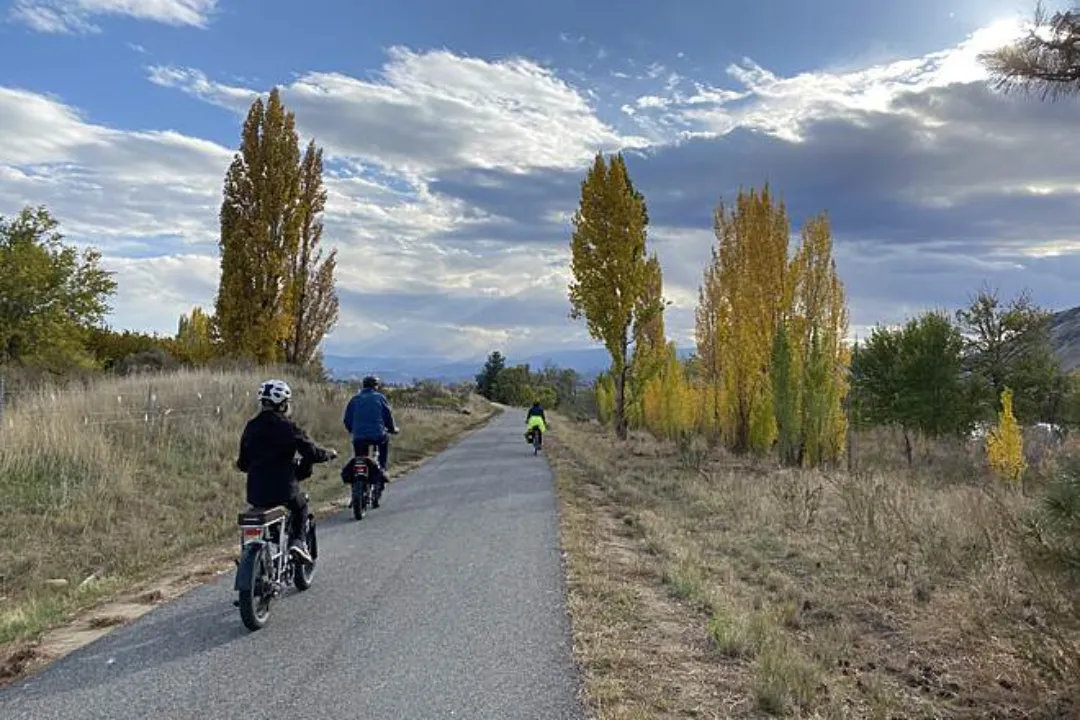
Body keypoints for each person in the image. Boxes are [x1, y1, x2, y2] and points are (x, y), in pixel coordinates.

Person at [237, 379, 336, 565]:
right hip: (284, 489)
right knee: (300, 507)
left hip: (256, 492)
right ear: (282, 404)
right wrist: (328, 454)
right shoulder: (288, 427)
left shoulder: (251, 426)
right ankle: (297, 543)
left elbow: (243, 463)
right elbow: (311, 452)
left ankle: (268, 548)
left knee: (266, 516)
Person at [343, 375, 398, 471]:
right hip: (377, 435)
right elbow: (387, 416)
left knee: (359, 457)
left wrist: (352, 430)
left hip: (359, 436)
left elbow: (347, 419)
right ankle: (382, 468)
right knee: (384, 441)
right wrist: (392, 429)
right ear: (375, 386)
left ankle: (359, 472)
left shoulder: (355, 399)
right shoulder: (380, 398)